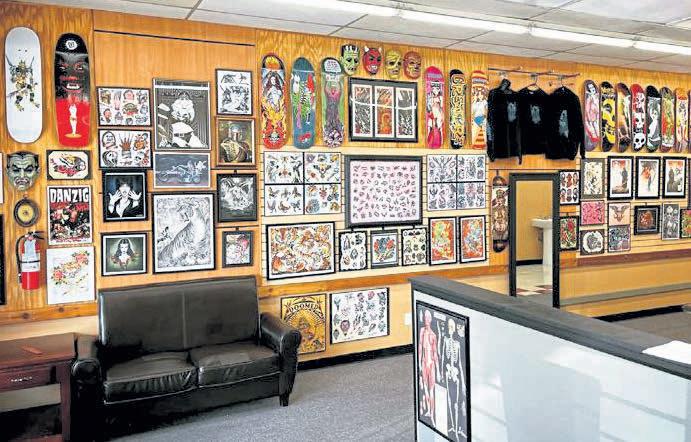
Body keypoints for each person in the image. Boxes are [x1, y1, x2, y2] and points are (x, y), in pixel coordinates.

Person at [419, 309, 439, 424]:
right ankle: (428, 410)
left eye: (428, 318)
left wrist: (438, 370)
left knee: (431, 390)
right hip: (423, 362)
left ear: (430, 319)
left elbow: (435, 353)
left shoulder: (433, 335)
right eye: (425, 317)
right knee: (425, 388)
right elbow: (420, 347)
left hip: (431, 364)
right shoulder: (422, 331)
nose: (426, 320)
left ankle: (432, 414)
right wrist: (419, 362)